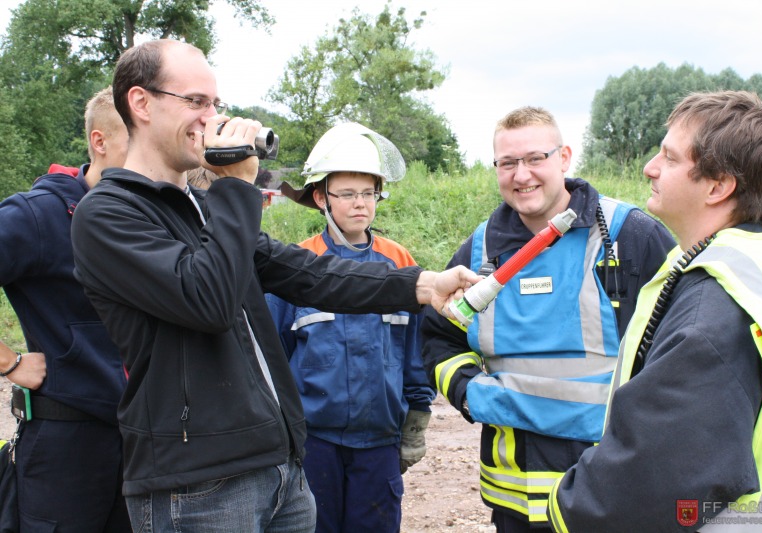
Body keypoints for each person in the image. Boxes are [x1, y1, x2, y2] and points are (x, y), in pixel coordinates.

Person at [69, 39, 479, 533]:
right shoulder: (108, 214)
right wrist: (237, 187)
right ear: (140, 103)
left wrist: (422, 284)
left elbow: (310, 273)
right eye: (196, 102)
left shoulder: (200, 207)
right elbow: (208, 301)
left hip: (277, 466)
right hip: (198, 486)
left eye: (215, 103)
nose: (212, 117)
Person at [546, 91, 762, 531]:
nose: (650, 167)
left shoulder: (716, 307)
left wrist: (567, 513)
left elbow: (651, 481)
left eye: (669, 157)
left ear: (718, 186)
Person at [421, 106, 675, 531]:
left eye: (535, 158)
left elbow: (679, 350)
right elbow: (437, 340)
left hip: (608, 493)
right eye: (508, 163)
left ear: (564, 158)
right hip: (513, 500)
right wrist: (469, 393)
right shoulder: (479, 250)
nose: (522, 175)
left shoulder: (628, 236)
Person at [269, 122, 436, 533]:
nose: (360, 204)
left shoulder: (399, 261)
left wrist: (416, 419)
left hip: (380, 441)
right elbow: (273, 356)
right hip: (314, 444)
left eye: (368, 193)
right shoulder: (295, 264)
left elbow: (414, 350)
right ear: (321, 197)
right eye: (347, 194)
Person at [0, 86, 131, 531]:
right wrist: (9, 361)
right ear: (100, 142)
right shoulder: (39, 215)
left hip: (144, 447)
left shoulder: (151, 220)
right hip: (66, 447)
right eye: (136, 139)